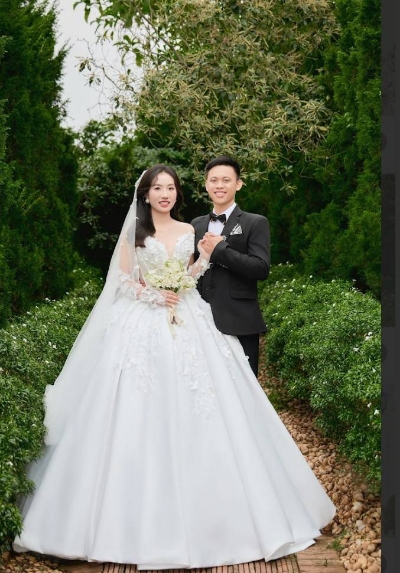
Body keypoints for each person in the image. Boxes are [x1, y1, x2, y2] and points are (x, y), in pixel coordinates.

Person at [13, 164, 335, 569]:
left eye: (170, 187)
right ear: (145, 194)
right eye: (157, 188)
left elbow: (191, 275)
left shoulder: (189, 230)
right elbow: (122, 280)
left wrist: (200, 264)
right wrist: (151, 295)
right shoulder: (135, 234)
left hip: (189, 316)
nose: (164, 194)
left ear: (178, 193)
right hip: (142, 321)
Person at [191, 156, 270, 377]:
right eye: (213, 180)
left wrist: (220, 250)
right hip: (200, 320)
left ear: (238, 184)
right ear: (206, 185)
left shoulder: (255, 222)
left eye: (226, 180)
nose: (219, 185)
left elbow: (261, 268)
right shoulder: (195, 225)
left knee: (244, 387)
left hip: (239, 320)